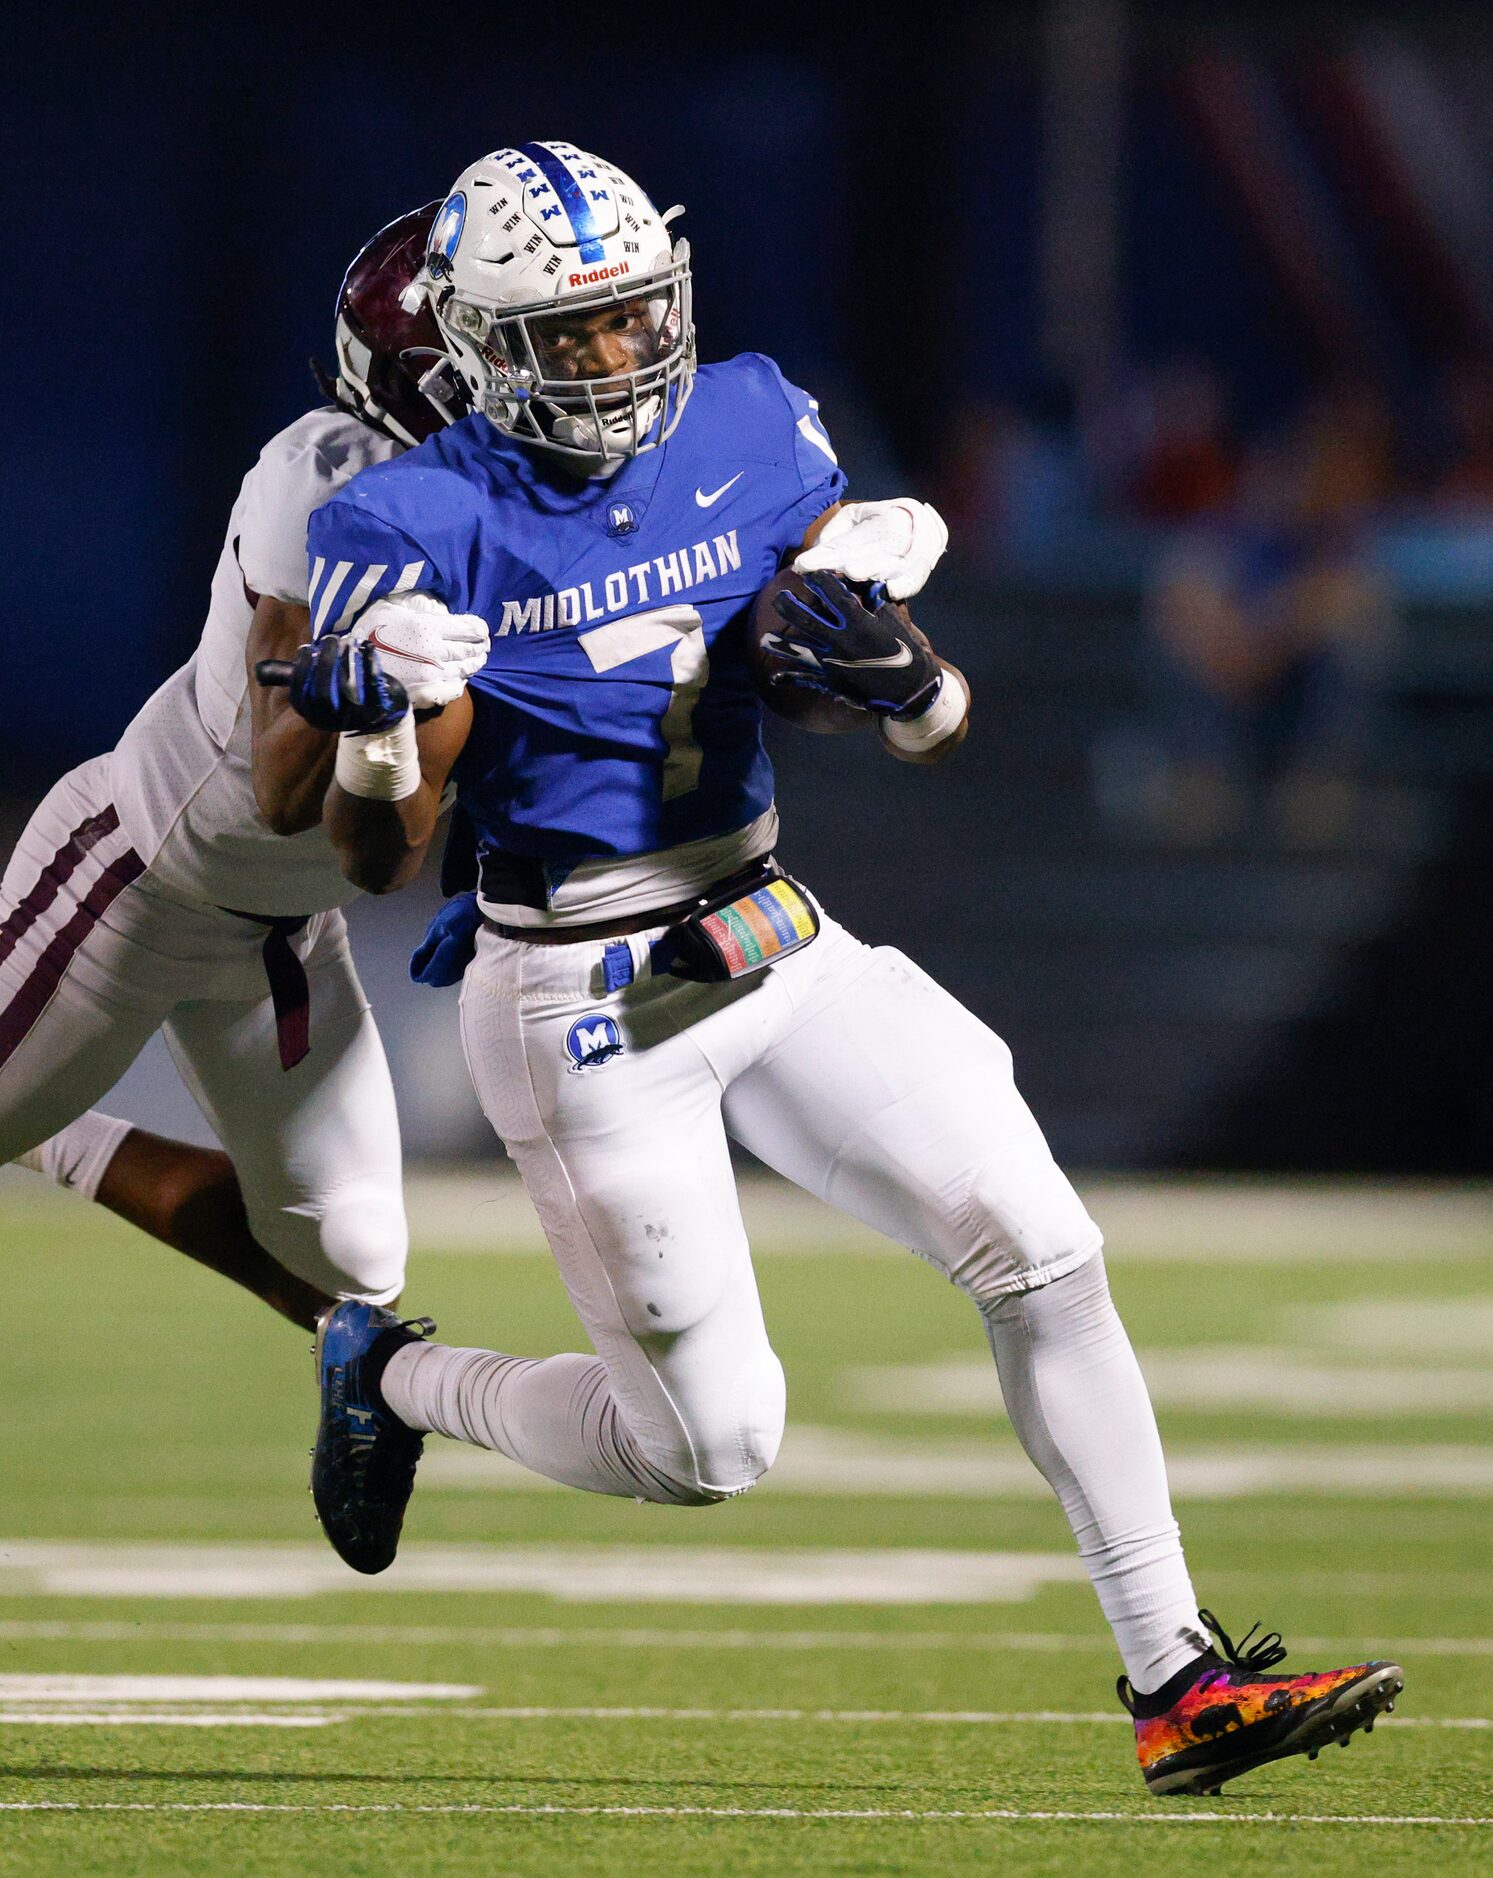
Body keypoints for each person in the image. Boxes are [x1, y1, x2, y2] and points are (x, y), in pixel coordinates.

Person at [296, 140, 1402, 1798]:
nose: (613, 359)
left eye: (628, 317)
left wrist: (890, 649)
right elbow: (371, 855)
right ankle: (390, 1370)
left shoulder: (746, 415)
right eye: (568, 334)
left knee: (1042, 1248)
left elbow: (857, 664)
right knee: (704, 1449)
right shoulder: (409, 517)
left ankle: (1173, 1673)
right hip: (573, 991)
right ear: (474, 346)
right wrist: (380, 738)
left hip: (765, 927)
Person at [0, 205, 488, 1334]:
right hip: (134, 881)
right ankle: (45, 1124)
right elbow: (279, 790)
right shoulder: (331, 471)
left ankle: (53, 1126)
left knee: (356, 1266)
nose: (532, 374)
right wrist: (370, 680)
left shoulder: (532, 503)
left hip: (284, 932)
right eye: (503, 346)